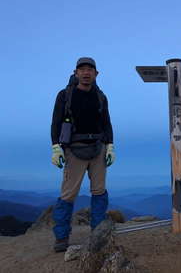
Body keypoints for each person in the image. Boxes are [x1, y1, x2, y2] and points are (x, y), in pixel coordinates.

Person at [50, 57, 115, 252]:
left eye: (90, 69)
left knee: (99, 191)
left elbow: (107, 123)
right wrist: (55, 147)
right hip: (73, 149)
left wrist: (110, 145)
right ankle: (61, 238)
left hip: (98, 147)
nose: (86, 73)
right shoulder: (64, 95)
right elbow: (56, 122)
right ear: (76, 72)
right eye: (82, 69)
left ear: (96, 74)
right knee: (68, 195)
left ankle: (98, 233)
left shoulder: (101, 97)